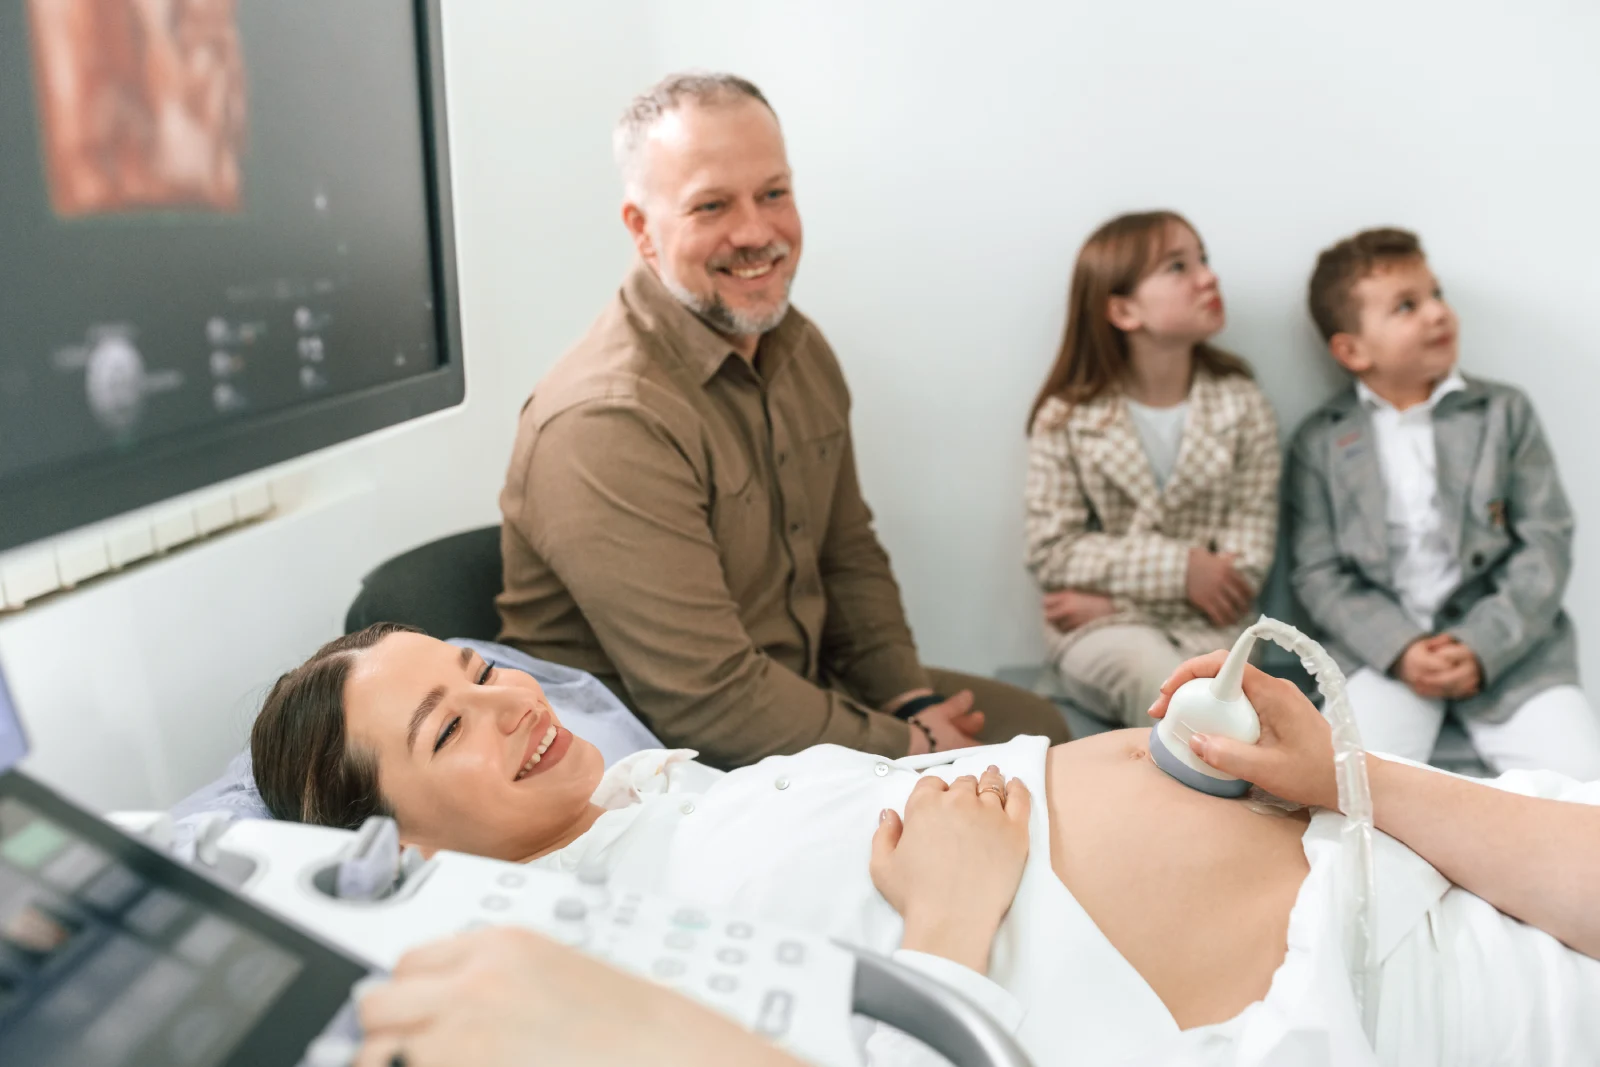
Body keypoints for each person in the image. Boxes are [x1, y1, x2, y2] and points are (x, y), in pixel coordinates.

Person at [254, 623, 1600, 1066]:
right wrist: (949, 919)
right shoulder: (572, 969)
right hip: (1378, 989)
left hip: (1395, 854)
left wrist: (1336, 779)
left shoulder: (652, 800)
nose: (512, 702)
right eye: (448, 727)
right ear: (392, 842)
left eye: (482, 668)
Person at [493, 71, 1070, 770]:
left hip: (796, 699)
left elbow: (847, 555)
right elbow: (709, 702)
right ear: (642, 229)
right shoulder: (605, 421)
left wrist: (908, 700)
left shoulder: (796, 347)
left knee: (1041, 735)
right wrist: (913, 748)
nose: (756, 232)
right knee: (1030, 788)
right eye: (711, 205)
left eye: (773, 193)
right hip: (669, 770)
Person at [1288, 227, 1600, 777]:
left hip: (1515, 656)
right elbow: (1318, 573)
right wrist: (1401, 648)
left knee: (1582, 785)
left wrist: (1480, 644)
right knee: (1348, 784)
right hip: (1383, 660)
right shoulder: (1321, 442)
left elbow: (1545, 542)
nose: (1437, 313)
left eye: (1436, 294)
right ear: (1352, 350)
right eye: (1406, 306)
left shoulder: (1504, 413)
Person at [1024, 211, 1280, 729]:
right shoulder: (1067, 417)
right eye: (1178, 266)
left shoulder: (1243, 405)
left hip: (1210, 630)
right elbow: (1053, 551)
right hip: (1099, 635)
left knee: (1209, 689)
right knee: (1160, 682)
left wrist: (1112, 601)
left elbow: (1242, 571)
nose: (1208, 277)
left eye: (1203, 260)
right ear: (1123, 310)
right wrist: (1184, 570)